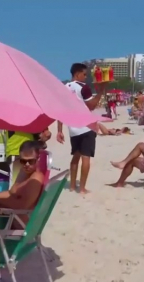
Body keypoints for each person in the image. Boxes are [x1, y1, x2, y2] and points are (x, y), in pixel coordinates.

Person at [57, 63, 104, 195]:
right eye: (84, 74)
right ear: (77, 74)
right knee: (86, 158)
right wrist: (100, 92)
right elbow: (91, 106)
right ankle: (82, 188)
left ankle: (72, 186)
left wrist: (59, 130)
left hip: (72, 129)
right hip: (86, 127)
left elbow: (60, 111)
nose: (86, 76)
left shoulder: (64, 87)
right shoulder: (83, 88)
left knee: (75, 157)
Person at [0, 141, 44, 211]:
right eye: (23, 161)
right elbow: (10, 193)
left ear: (38, 159)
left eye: (31, 161)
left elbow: (23, 206)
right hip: (11, 215)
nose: (27, 165)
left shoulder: (36, 179)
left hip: (20, 219)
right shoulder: (23, 172)